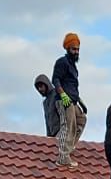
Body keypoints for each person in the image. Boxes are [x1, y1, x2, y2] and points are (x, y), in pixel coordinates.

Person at [52, 32, 87, 165]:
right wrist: (62, 94)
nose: (76, 52)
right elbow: (55, 79)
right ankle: (63, 157)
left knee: (81, 120)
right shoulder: (62, 62)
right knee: (68, 125)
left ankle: (70, 146)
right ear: (67, 49)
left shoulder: (73, 66)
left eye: (77, 49)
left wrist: (80, 102)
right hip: (64, 100)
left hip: (73, 100)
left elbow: (72, 86)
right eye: (73, 49)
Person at [34, 73, 74, 166]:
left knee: (61, 155)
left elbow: (65, 113)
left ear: (46, 84)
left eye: (41, 86)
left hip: (61, 131)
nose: (40, 89)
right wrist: (48, 138)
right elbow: (47, 121)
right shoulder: (45, 103)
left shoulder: (57, 94)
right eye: (38, 88)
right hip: (52, 134)